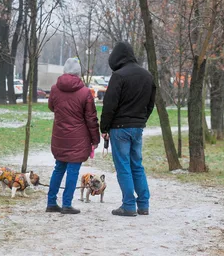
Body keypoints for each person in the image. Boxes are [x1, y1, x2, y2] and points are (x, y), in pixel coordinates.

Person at [100, 41, 156, 217]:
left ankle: (129, 205)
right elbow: (150, 103)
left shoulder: (119, 76)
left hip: (119, 128)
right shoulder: (147, 76)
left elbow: (110, 105)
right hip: (137, 128)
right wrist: (141, 120)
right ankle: (144, 204)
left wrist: (104, 127)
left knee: (123, 166)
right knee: (137, 165)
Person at [46, 58, 100, 214]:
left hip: (60, 135)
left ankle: (51, 202)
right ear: (78, 73)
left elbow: (51, 107)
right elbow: (91, 118)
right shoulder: (84, 92)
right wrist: (95, 139)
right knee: (73, 171)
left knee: (58, 168)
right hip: (78, 138)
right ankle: (67, 204)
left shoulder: (55, 89)